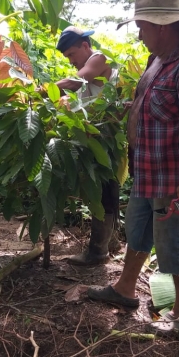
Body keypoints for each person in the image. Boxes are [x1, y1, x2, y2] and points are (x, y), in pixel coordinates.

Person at [87, 0, 179, 331]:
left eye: (142, 27)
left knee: (175, 242)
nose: (139, 34)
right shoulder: (159, 60)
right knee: (138, 231)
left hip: (174, 178)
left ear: (162, 26)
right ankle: (124, 288)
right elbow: (146, 106)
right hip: (147, 170)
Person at [54, 26, 120, 266]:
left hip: (106, 138)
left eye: (72, 54)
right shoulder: (90, 65)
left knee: (105, 191)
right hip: (96, 137)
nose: (71, 61)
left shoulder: (99, 58)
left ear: (85, 45)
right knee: (103, 190)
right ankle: (105, 245)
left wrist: (43, 89)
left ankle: (98, 252)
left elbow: (77, 81)